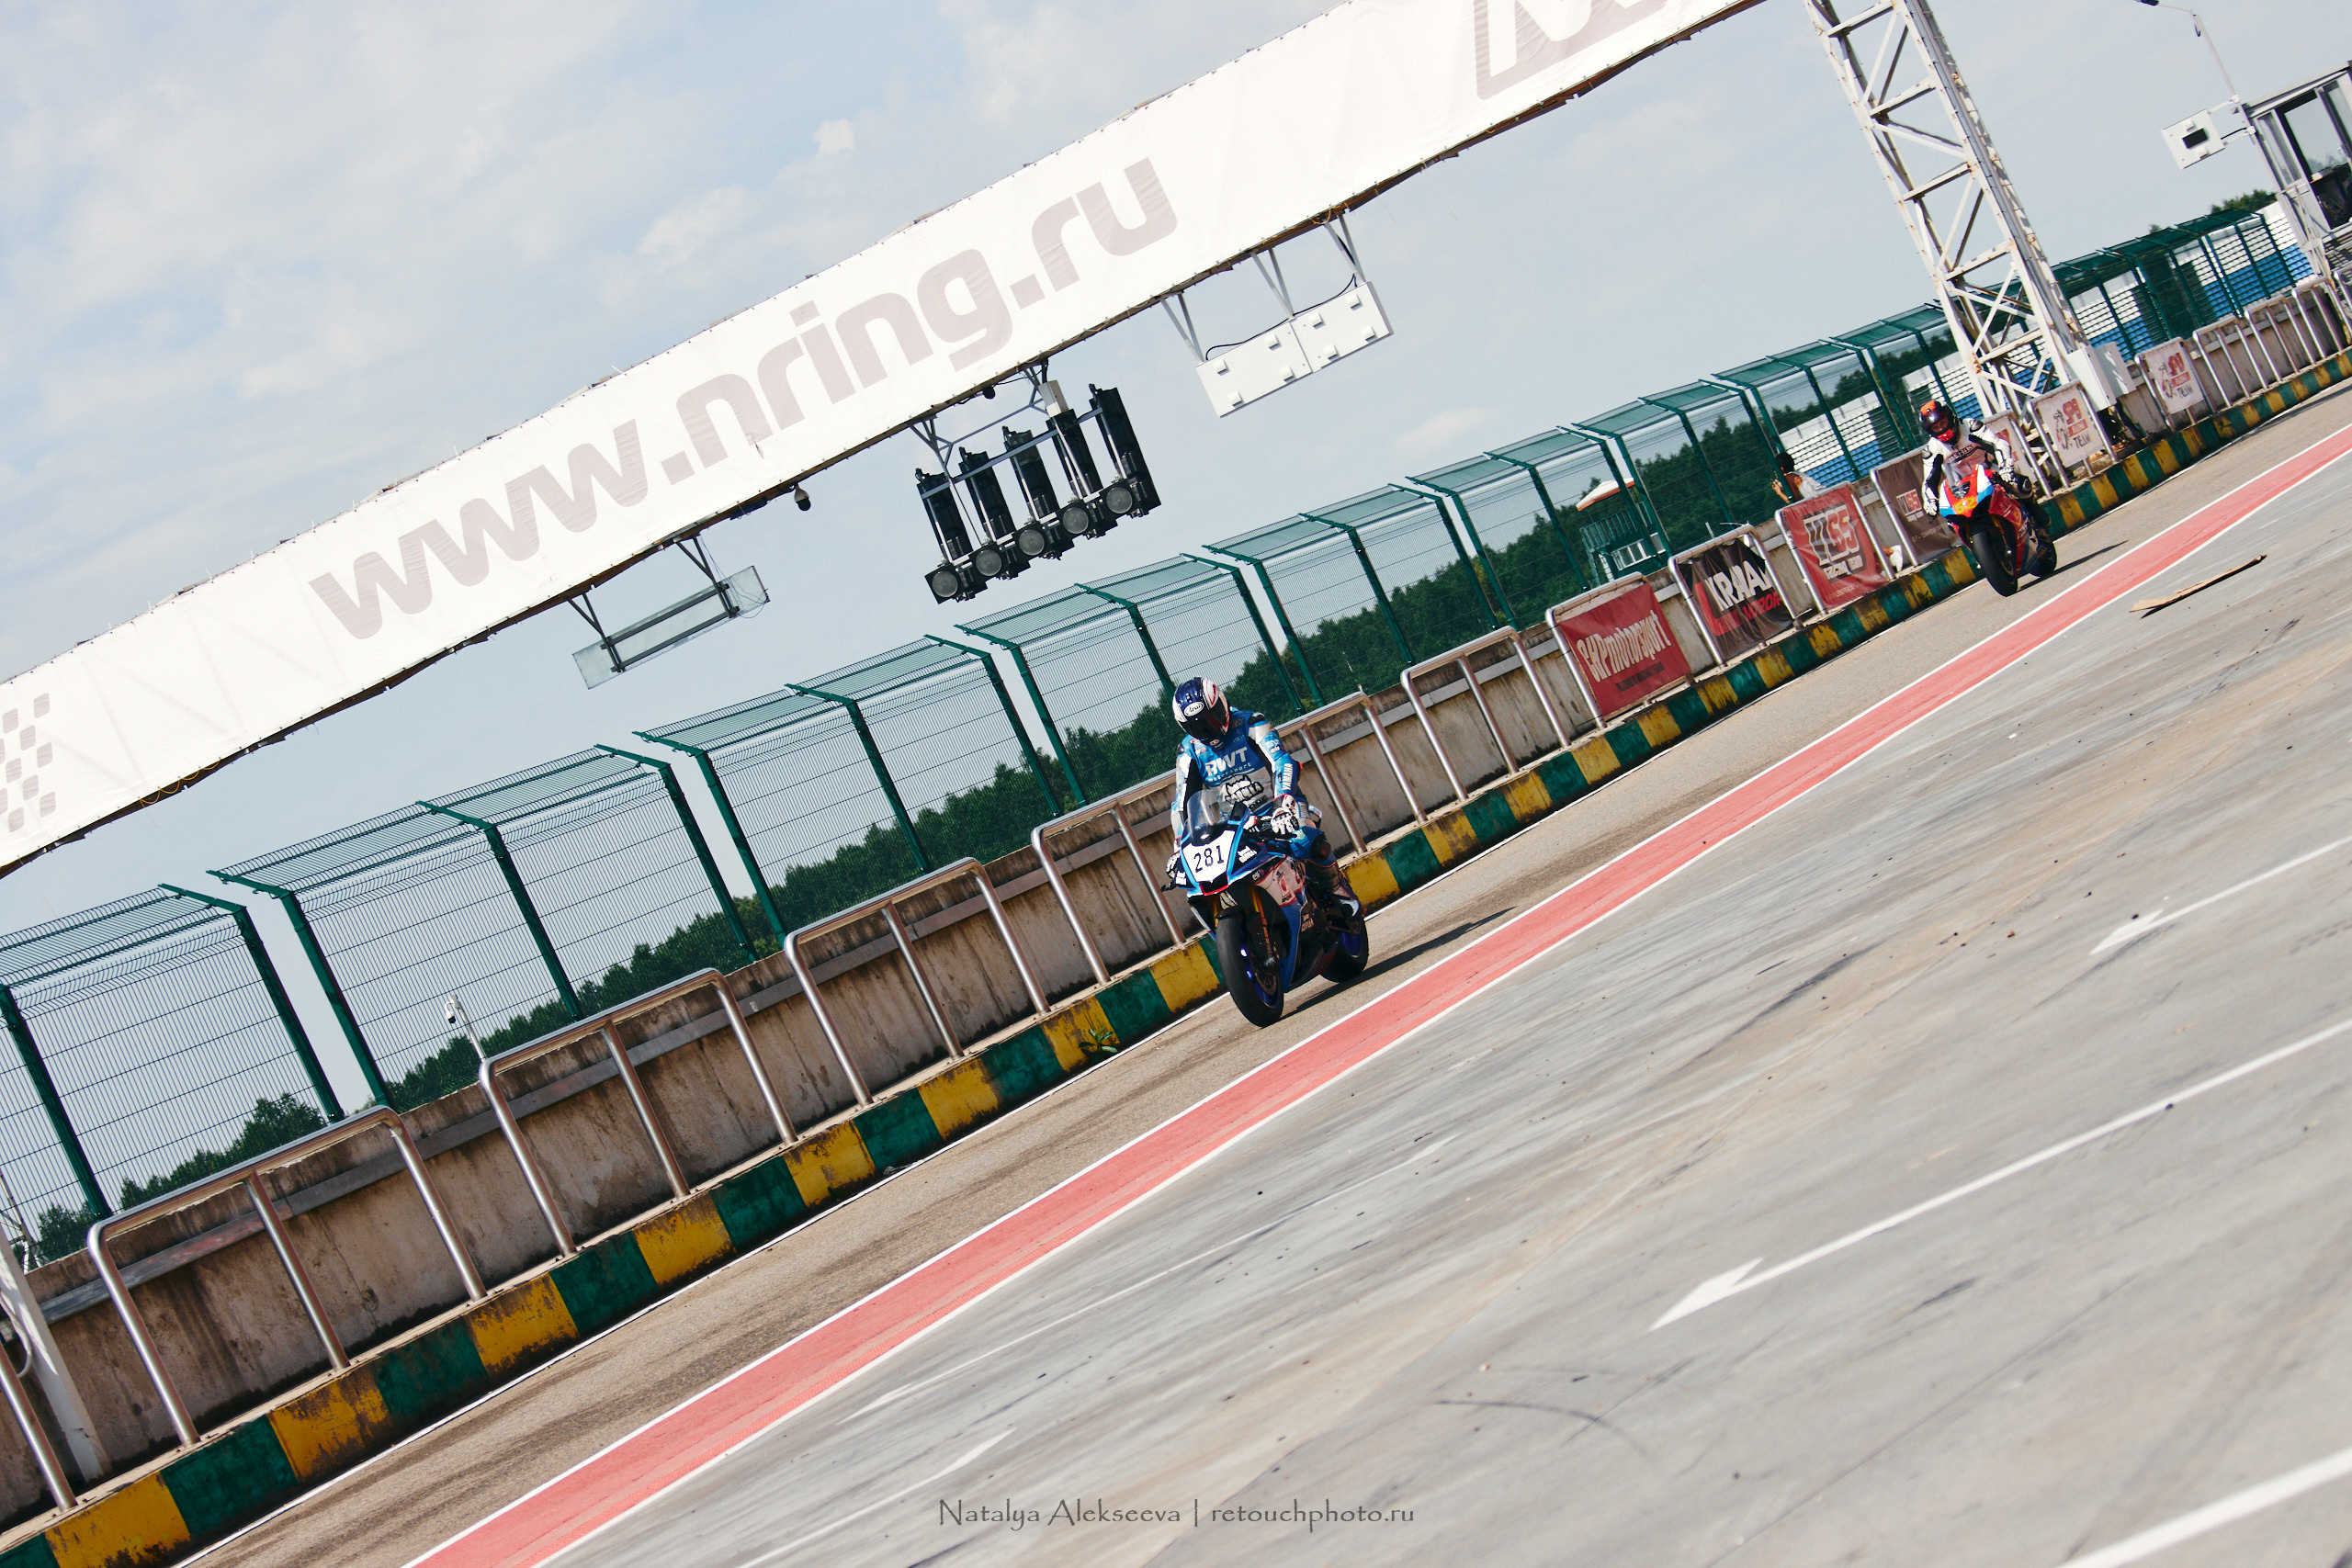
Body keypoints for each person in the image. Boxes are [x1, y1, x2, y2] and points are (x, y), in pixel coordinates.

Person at [1164, 676, 1358, 917]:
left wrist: (1283, 803)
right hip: (1235, 825)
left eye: (1211, 719)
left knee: (1305, 840)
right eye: (1197, 726)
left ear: (1222, 704)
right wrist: (1179, 845)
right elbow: (1182, 802)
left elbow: (1282, 762)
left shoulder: (1250, 723)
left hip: (1277, 808)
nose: (1208, 729)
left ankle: (1338, 889)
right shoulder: (1189, 750)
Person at [1917, 399, 2052, 536]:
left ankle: (2033, 512)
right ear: (1930, 431)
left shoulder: (1970, 426)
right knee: (1952, 523)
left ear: (1950, 418)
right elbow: (1928, 480)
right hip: (1961, 486)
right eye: (1936, 427)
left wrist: (2005, 467)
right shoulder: (1932, 450)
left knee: (2021, 485)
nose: (1942, 430)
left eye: (1943, 423)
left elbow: (1998, 444)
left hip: (1991, 471)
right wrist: (1930, 501)